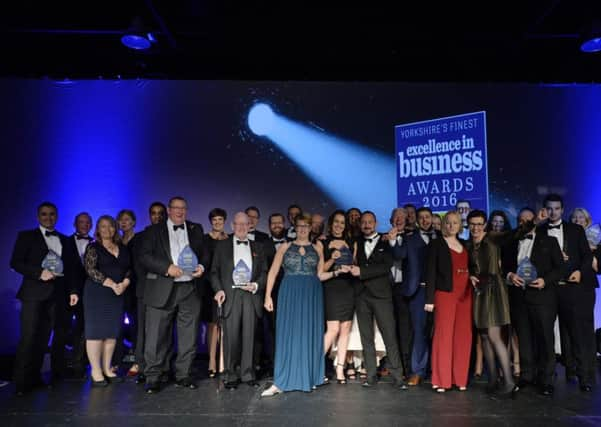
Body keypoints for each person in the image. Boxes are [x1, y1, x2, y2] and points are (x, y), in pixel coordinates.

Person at [10, 202, 79, 396]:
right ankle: (21, 383)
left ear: (57, 216)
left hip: (57, 296)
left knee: (44, 339)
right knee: (29, 337)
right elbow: (15, 262)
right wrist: (39, 272)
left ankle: (36, 378)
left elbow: (72, 269)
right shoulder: (26, 236)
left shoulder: (65, 240)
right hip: (33, 294)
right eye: (44, 214)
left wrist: (73, 291)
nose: (48, 218)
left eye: (52, 215)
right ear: (38, 216)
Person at [139, 196, 207, 394]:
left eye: (183, 208)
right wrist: (166, 268)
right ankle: (153, 376)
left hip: (189, 289)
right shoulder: (152, 231)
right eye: (176, 208)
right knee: (156, 336)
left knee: (188, 335)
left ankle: (183, 375)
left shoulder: (196, 229)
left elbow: (204, 253)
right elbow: (144, 257)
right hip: (162, 287)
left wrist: (201, 266)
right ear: (169, 210)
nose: (180, 211)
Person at [261, 213, 328, 396]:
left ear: (310, 227)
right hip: (289, 291)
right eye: (300, 225)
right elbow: (273, 272)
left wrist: (338, 269)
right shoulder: (284, 247)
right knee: (287, 333)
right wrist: (268, 296)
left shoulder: (318, 248)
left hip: (311, 293)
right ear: (295, 227)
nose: (303, 229)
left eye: (306, 225)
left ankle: (310, 377)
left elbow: (321, 274)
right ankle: (280, 381)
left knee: (308, 333)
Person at [502, 208, 563, 396]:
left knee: (545, 339)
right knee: (525, 340)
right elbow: (505, 268)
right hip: (519, 298)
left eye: (528, 220)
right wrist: (510, 275)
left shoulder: (549, 241)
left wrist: (545, 280)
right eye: (520, 220)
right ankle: (527, 376)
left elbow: (560, 269)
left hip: (542, 298)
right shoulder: (511, 242)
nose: (524, 223)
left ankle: (546, 379)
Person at [540, 194, 596, 392]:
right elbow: (535, 261)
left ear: (563, 210)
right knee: (547, 336)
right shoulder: (539, 231)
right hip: (548, 290)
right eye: (549, 208)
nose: (553, 212)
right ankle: (547, 380)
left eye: (557, 208)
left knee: (577, 334)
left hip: (571, 288)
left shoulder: (576, 229)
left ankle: (584, 377)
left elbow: (587, 256)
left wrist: (580, 271)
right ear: (544, 210)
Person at [351, 211, 408, 390]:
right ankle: (371, 375)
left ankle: (398, 376)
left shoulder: (385, 241)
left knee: (389, 335)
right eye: (364, 222)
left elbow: (386, 266)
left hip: (382, 295)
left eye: (370, 222)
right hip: (361, 295)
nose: (367, 225)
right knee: (366, 337)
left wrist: (362, 272)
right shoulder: (356, 242)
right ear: (360, 225)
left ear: (375, 223)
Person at [211, 212, 267, 389]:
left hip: (250, 296)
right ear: (233, 226)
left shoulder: (259, 246)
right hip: (231, 296)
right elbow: (213, 272)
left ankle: (248, 374)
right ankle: (229, 374)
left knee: (250, 336)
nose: (242, 227)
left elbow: (264, 273)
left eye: (245, 224)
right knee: (231, 337)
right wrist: (219, 289)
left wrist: (256, 285)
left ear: (250, 226)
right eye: (238, 224)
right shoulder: (222, 246)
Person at [466, 210, 516, 398]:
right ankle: (493, 379)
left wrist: (534, 221)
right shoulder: (469, 244)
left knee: (494, 336)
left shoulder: (493, 238)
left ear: (485, 224)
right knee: (484, 336)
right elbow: (470, 266)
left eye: (479, 224)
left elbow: (513, 234)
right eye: (472, 224)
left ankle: (509, 382)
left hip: (494, 290)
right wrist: (471, 274)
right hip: (479, 291)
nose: (476, 227)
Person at [425, 211, 472, 392]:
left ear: (460, 226)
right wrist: (429, 299)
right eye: (448, 223)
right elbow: (430, 272)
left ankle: (459, 378)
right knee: (443, 336)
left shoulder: (465, 244)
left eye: (455, 223)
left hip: (465, 295)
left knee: (463, 336)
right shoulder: (436, 244)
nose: (451, 226)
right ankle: (441, 379)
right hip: (445, 293)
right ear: (443, 225)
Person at [83, 215, 131, 386]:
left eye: (110, 226)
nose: (107, 229)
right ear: (98, 229)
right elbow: (90, 270)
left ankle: (107, 368)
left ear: (115, 228)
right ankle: (96, 372)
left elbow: (129, 269)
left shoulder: (123, 248)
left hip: (117, 294)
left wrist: (124, 283)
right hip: (97, 294)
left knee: (111, 334)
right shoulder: (93, 247)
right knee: (95, 334)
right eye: (103, 226)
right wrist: (111, 284)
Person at [392, 207, 438, 386]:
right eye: (422, 218)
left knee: (437, 332)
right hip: (417, 291)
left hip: (439, 292)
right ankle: (418, 371)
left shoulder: (440, 238)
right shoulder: (410, 239)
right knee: (419, 332)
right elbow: (398, 254)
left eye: (428, 217)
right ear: (417, 220)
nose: (425, 220)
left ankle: (437, 369)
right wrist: (395, 238)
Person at [130, 201, 166, 385]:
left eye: (161, 213)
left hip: (167, 290)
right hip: (146, 289)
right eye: (154, 213)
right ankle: (142, 366)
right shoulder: (140, 237)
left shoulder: (170, 235)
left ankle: (162, 367)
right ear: (149, 215)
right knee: (144, 331)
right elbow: (139, 265)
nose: (157, 217)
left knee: (164, 333)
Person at [322, 209, 356, 384]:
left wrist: (351, 269)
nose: (339, 225)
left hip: (348, 288)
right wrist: (333, 259)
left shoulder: (351, 242)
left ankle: (340, 369)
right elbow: (321, 271)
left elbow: (355, 265)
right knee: (333, 329)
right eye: (336, 222)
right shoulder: (323, 242)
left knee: (345, 330)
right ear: (331, 224)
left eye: (342, 222)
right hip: (332, 288)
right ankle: (316, 366)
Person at [63, 212, 94, 378]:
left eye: (88, 222)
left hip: (87, 292)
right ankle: (59, 366)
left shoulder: (95, 244)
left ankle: (78, 364)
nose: (84, 225)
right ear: (75, 224)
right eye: (81, 222)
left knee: (82, 328)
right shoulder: (64, 241)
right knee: (63, 328)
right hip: (65, 292)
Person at [203, 208, 228, 378]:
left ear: (224, 221)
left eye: (220, 219)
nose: (217, 222)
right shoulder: (205, 240)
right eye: (214, 220)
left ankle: (223, 361)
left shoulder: (230, 239)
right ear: (211, 222)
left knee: (224, 325)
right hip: (208, 286)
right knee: (213, 325)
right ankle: (211, 361)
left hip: (226, 286)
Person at [114, 209, 138, 376]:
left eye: (127, 219)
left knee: (136, 326)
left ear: (133, 222)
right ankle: (116, 361)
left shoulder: (141, 239)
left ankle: (137, 362)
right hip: (118, 288)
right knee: (117, 326)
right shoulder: (115, 242)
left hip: (136, 288)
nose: (124, 222)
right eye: (121, 220)